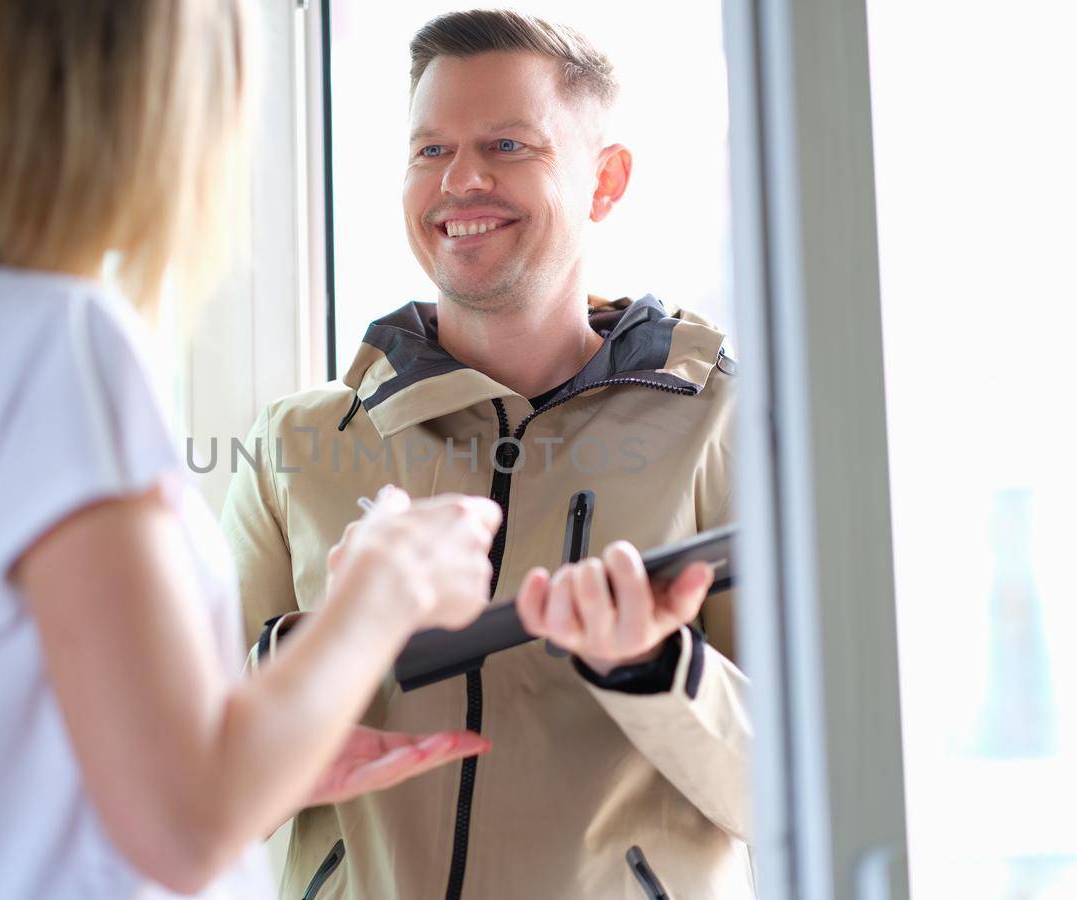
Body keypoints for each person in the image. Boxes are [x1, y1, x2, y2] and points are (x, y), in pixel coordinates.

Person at [0, 2, 503, 898]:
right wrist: (386, 583)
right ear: (151, 107)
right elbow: (183, 824)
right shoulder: (50, 345)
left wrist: (275, 746)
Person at [221, 9, 753, 899]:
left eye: (508, 144)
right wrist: (331, 640)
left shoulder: (727, 427)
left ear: (606, 181)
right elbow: (194, 786)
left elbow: (804, 787)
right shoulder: (295, 447)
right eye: (430, 151)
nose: (460, 180)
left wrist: (657, 669)